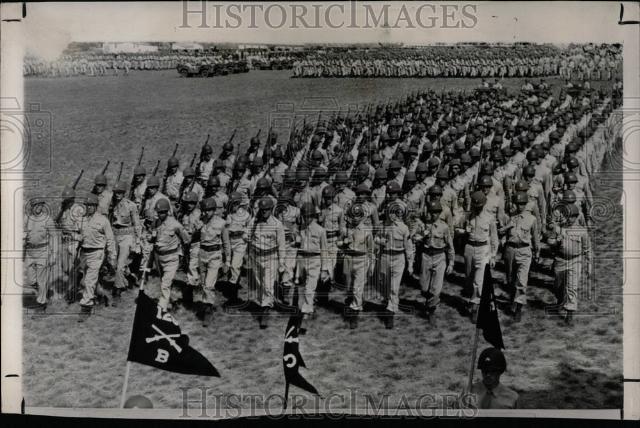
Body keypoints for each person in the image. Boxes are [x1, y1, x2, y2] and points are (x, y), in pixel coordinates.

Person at [243, 196, 287, 329]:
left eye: (267, 210)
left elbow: (282, 245)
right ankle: (265, 303)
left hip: (271, 257)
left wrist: (282, 262)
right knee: (260, 284)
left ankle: (265, 310)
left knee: (268, 285)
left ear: (271, 209)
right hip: (256, 257)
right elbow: (246, 234)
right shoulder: (254, 221)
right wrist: (245, 237)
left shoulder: (277, 224)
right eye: (262, 210)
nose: (264, 212)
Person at [547, 203, 592, 326]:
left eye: (573, 216)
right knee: (558, 285)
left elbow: (587, 249)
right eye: (568, 216)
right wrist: (556, 240)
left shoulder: (582, 231)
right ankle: (560, 299)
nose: (570, 219)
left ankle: (570, 313)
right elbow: (549, 241)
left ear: (577, 217)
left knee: (572, 287)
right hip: (560, 260)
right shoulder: (559, 228)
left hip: (575, 260)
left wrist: (589, 265)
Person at [77, 194, 117, 322]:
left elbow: (110, 239)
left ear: (96, 206)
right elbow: (77, 234)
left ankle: (86, 307)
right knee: (85, 281)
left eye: (91, 206)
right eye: (87, 205)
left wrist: (112, 256)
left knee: (89, 280)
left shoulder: (103, 220)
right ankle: (103, 296)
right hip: (84, 252)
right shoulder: (81, 220)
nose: (89, 208)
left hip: (97, 253)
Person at [414, 200, 455, 324]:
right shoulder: (423, 225)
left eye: (436, 213)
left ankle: (432, 310)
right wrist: (420, 236)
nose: (433, 215)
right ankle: (429, 300)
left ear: (439, 213)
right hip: (426, 256)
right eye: (431, 212)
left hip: (439, 257)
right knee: (423, 287)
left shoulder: (444, 227)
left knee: (436, 288)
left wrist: (451, 262)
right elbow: (413, 238)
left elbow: (450, 246)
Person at [460, 191, 498, 322]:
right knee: (469, 276)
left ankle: (475, 305)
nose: (477, 207)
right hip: (469, 248)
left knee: (479, 280)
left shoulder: (490, 218)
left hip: (483, 249)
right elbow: (461, 229)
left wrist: (493, 256)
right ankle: (473, 298)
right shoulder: (468, 216)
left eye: (479, 205)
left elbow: (494, 238)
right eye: (475, 205)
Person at [502, 192, 539, 322]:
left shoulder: (532, 219)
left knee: (521, 281)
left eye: (523, 203)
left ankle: (518, 308)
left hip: (524, 251)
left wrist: (537, 251)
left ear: (526, 204)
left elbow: (535, 237)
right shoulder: (509, 217)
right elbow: (504, 234)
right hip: (510, 250)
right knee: (510, 279)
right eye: (518, 204)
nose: (520, 206)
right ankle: (513, 299)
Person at [196, 197, 231, 326]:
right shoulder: (200, 222)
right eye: (204, 210)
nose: (206, 213)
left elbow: (227, 244)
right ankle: (207, 304)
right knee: (204, 283)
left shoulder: (221, 223)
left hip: (215, 256)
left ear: (214, 210)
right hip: (202, 254)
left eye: (209, 210)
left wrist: (227, 261)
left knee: (209, 285)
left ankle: (208, 311)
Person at [340, 203, 375, 329]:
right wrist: (343, 243)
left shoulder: (367, 231)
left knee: (357, 287)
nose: (355, 218)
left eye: (358, 215)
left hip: (361, 259)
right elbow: (339, 243)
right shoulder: (346, 230)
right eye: (353, 215)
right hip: (349, 258)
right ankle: (353, 303)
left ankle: (354, 314)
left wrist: (371, 265)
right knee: (349, 286)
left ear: (362, 216)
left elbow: (371, 250)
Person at [152, 199, 190, 312]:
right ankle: (169, 301)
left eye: (163, 212)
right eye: (159, 212)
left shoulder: (175, 224)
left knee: (165, 284)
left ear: (168, 211)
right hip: (159, 257)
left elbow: (186, 239)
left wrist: (184, 255)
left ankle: (161, 308)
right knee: (163, 281)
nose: (161, 214)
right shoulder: (156, 223)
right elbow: (152, 235)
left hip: (171, 258)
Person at [295, 203, 329, 326]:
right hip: (302, 259)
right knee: (302, 287)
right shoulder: (301, 228)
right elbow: (298, 244)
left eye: (309, 216)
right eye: (305, 216)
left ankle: (306, 312)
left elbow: (324, 250)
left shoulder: (320, 230)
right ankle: (307, 307)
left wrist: (324, 269)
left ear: (313, 216)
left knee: (310, 288)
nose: (307, 218)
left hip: (315, 260)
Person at [109, 181, 142, 306]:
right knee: (113, 263)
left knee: (119, 267)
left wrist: (137, 242)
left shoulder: (131, 205)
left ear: (124, 193)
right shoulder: (111, 205)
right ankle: (130, 276)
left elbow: (137, 224)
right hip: (114, 235)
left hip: (126, 236)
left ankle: (117, 292)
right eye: (116, 192)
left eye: (120, 192)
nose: (117, 195)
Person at [24, 197, 56, 314]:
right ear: (32, 207)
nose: (38, 207)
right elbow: (22, 234)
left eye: (40, 205)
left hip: (43, 251)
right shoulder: (27, 219)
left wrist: (54, 254)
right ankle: (43, 292)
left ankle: (41, 304)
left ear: (42, 206)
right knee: (31, 280)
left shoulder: (47, 220)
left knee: (42, 280)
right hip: (30, 253)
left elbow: (54, 237)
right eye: (35, 205)